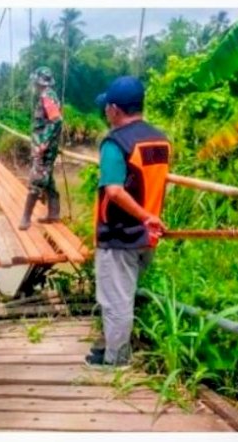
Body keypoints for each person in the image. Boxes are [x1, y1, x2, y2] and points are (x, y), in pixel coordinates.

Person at [85, 76, 171, 369]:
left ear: (114, 109)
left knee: (115, 300)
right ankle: (113, 348)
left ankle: (116, 360)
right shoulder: (159, 139)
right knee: (124, 294)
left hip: (120, 234)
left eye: (107, 108)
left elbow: (114, 190)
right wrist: (149, 217)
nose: (106, 114)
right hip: (147, 236)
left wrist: (144, 216)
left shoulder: (115, 143)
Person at [19, 67, 63, 230]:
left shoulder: (46, 96)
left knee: (36, 180)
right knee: (48, 180)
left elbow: (56, 120)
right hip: (46, 148)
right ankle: (54, 214)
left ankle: (26, 218)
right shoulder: (51, 95)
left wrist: (44, 142)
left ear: (39, 81)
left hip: (44, 149)